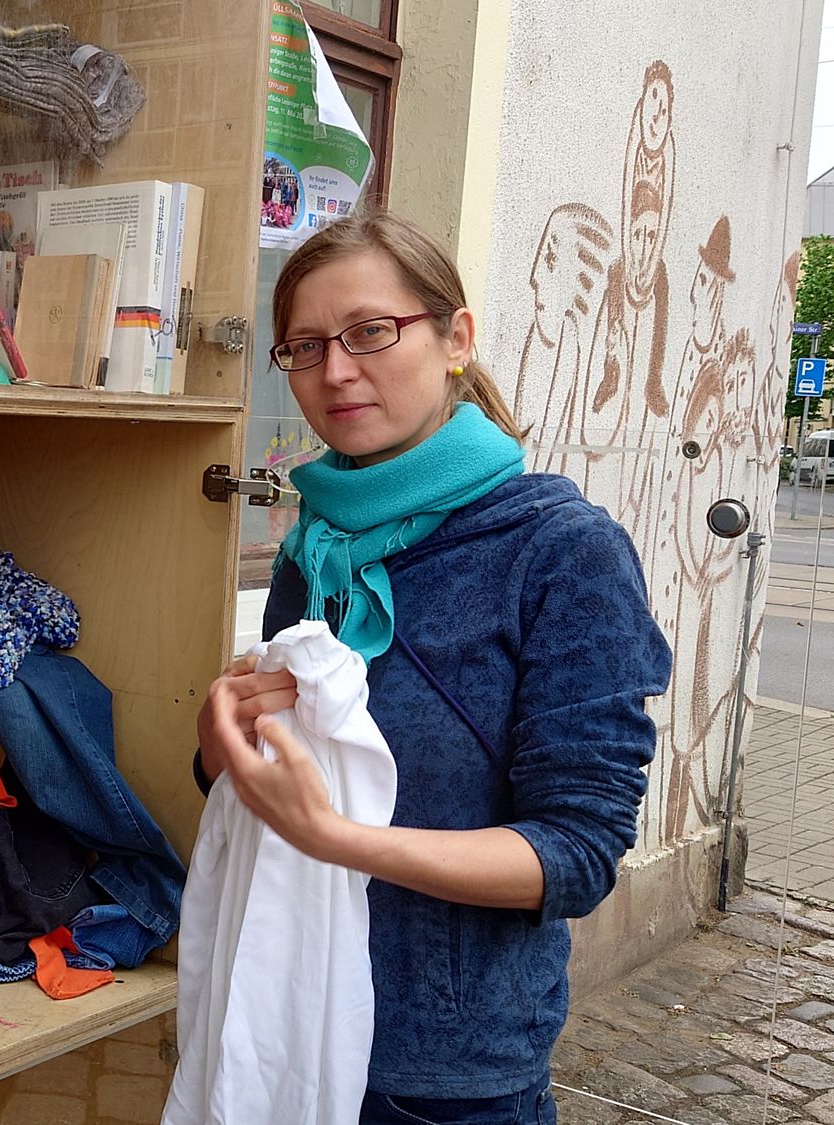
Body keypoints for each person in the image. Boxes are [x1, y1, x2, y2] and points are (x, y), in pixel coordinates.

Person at [190, 210, 672, 1124]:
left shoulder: (560, 552)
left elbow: (575, 853)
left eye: (371, 332)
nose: (335, 370)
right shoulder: (314, 546)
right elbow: (272, 774)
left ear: (455, 339)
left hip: (439, 1076)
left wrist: (343, 841)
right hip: (280, 1024)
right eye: (303, 346)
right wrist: (222, 742)